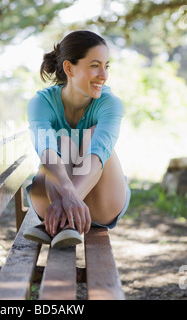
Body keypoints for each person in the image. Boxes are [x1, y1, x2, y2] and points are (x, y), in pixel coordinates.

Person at [23, 30, 131, 248]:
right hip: (49, 201)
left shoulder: (110, 104)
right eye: (94, 65)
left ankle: (62, 220)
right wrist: (68, 196)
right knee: (62, 142)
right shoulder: (42, 102)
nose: (104, 74)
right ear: (69, 68)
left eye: (106, 66)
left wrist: (67, 200)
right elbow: (46, 150)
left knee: (90, 137)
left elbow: (99, 154)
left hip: (100, 203)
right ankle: (68, 221)